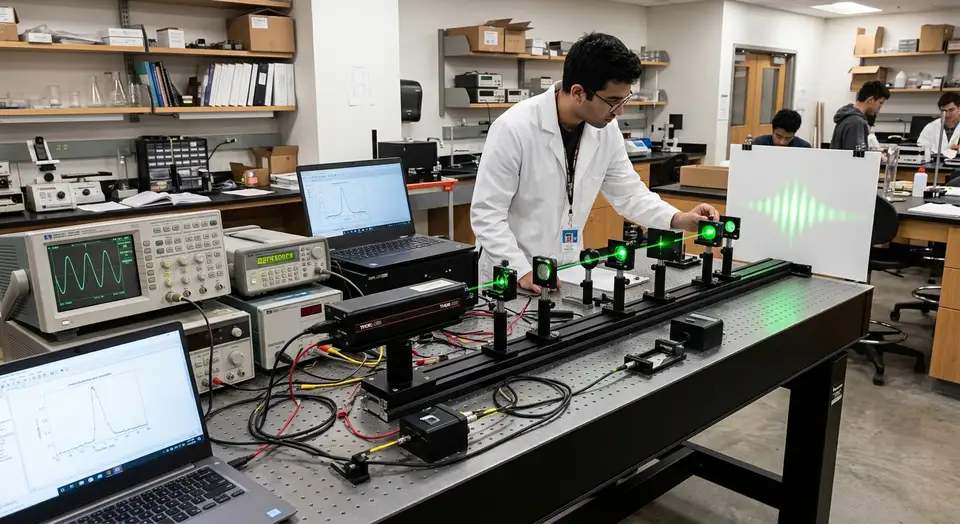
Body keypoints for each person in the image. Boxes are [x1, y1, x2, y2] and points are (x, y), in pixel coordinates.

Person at [470, 32, 719, 291]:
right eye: (613, 101)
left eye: (624, 99)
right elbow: (487, 214)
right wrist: (521, 269)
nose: (620, 111)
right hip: (511, 273)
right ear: (579, 92)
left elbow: (629, 194)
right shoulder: (514, 128)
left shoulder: (606, 130)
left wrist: (677, 218)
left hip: (567, 269)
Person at [831, 80, 890, 150]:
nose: (880, 107)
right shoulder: (856, 122)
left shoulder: (846, 116)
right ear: (870, 100)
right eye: (880, 103)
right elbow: (857, 155)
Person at [917, 92, 960, 159]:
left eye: (951, 110)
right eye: (944, 111)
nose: (947, 115)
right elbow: (921, 149)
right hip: (934, 163)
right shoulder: (931, 127)